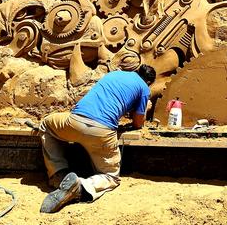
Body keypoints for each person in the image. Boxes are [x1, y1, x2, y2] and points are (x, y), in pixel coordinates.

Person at [39, 64, 156, 213]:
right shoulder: (144, 88)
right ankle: (82, 186)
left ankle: (58, 174)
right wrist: (143, 108)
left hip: (74, 122)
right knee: (111, 177)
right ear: (148, 82)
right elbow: (138, 123)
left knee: (46, 126)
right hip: (102, 132)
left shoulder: (114, 74)